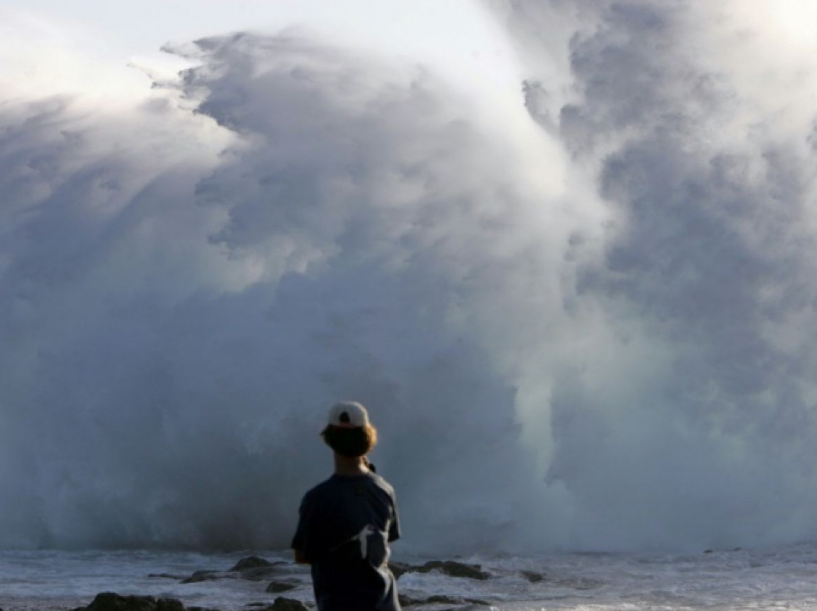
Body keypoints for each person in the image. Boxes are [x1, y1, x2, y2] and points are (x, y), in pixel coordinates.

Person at [292, 401, 401, 611]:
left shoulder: (318, 497)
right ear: (368, 437)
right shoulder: (384, 490)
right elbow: (383, 542)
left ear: (329, 439)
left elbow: (303, 554)